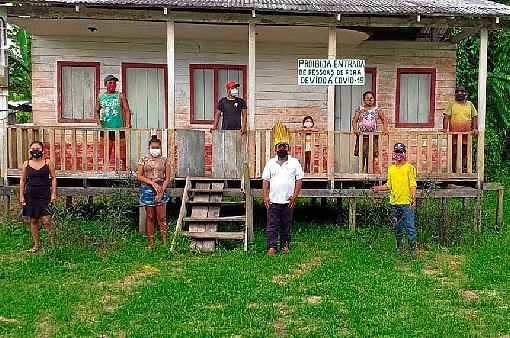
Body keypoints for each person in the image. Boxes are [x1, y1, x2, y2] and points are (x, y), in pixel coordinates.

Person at [262, 121, 304, 256]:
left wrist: (295, 196)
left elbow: (299, 180)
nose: (282, 148)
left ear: (288, 148)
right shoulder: (270, 163)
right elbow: (265, 181)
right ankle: (272, 247)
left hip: (288, 202)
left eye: (285, 146)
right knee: (272, 226)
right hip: (273, 201)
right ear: (275, 149)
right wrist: (265, 197)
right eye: (280, 146)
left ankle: (285, 245)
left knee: (286, 225)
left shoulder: (294, 162)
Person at [372, 143, 417, 258]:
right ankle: (399, 249)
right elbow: (389, 185)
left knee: (410, 228)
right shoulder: (391, 169)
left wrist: (413, 199)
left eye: (401, 152)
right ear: (394, 154)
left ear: (404, 154)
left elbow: (413, 184)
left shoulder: (409, 168)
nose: (398, 155)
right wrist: (378, 188)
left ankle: (412, 251)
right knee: (397, 228)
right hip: (394, 204)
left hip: (406, 204)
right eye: (396, 152)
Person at [19, 141, 57, 253]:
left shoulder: (48, 162)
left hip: (44, 194)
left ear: (42, 150)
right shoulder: (26, 163)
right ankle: (36, 246)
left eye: (38, 148)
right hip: (30, 195)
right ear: (30, 150)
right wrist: (21, 196)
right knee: (34, 220)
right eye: (33, 148)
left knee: (47, 220)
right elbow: (22, 180)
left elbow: (54, 178)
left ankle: (53, 245)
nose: (36, 150)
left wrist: (54, 194)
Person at [137, 135, 172, 250]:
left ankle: (164, 241)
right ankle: (151, 242)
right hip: (147, 189)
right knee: (150, 216)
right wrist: (152, 183)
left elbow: (168, 177)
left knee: (161, 217)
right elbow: (139, 176)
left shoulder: (165, 160)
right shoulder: (143, 160)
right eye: (153, 147)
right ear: (149, 147)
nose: (155, 150)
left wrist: (161, 191)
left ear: (160, 148)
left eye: (157, 147)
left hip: (161, 189)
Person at [96, 74, 132, 169]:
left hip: (119, 128)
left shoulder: (120, 95)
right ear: (106, 84)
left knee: (122, 152)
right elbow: (96, 111)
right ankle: (105, 171)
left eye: (114, 83)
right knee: (106, 151)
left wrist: (127, 124)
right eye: (110, 83)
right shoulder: (101, 97)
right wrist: (99, 124)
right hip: (105, 129)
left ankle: (124, 170)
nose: (112, 84)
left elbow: (127, 110)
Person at [442, 87, 478, 173]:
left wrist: (475, 129)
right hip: (454, 135)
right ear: (455, 94)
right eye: (457, 92)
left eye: (462, 92)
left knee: (465, 153)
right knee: (454, 153)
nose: (459, 93)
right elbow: (446, 117)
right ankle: (454, 171)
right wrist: (444, 129)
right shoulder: (452, 104)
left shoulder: (470, 104)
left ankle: (462, 170)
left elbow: (475, 117)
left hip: (466, 135)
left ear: (466, 94)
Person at [351, 91, 388, 172]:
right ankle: (361, 174)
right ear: (364, 100)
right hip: (362, 136)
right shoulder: (360, 109)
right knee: (362, 155)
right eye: (367, 98)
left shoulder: (377, 109)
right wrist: (355, 129)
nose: (369, 100)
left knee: (371, 156)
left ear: (374, 99)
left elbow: (384, 119)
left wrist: (385, 129)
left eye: (371, 98)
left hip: (373, 136)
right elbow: (354, 120)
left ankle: (369, 174)